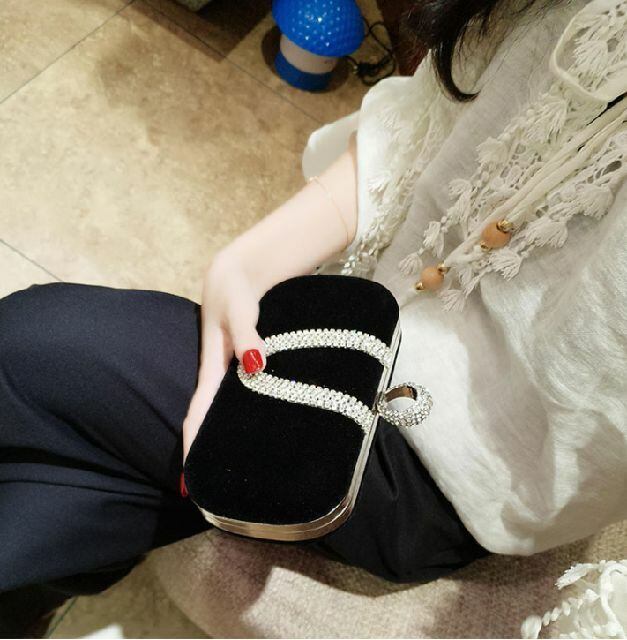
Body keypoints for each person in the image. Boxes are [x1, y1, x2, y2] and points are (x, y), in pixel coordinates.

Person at [1, 0, 626, 634]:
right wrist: (245, 261)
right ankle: (53, 588)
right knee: (60, 466)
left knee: (37, 346)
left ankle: (59, 583)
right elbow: (428, 124)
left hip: (449, 468)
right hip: (347, 318)